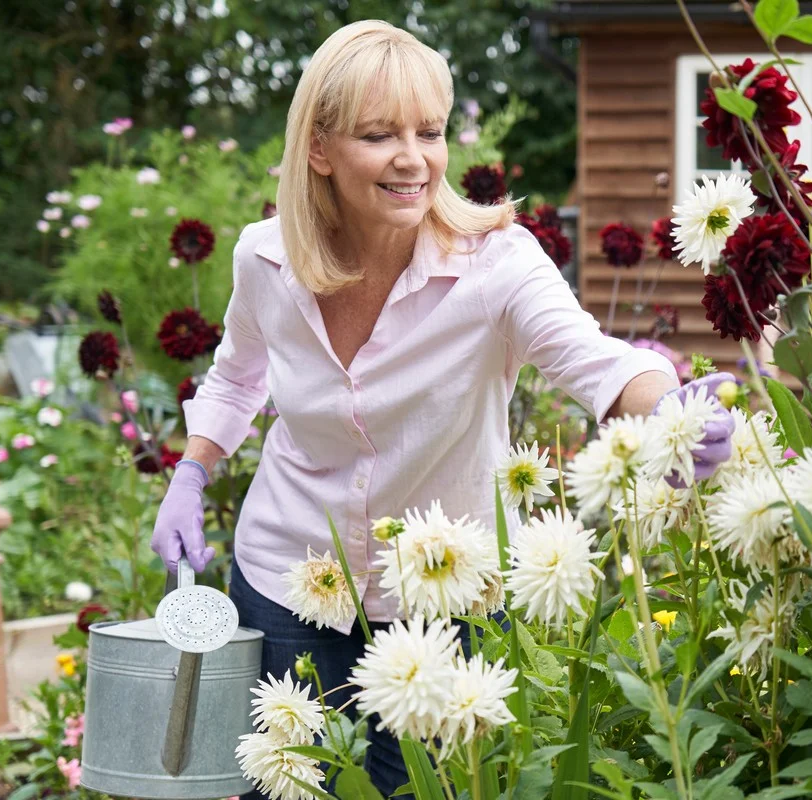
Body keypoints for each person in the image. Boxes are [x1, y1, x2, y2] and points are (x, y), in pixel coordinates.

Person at [150, 19, 735, 799]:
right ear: (319, 149)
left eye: (429, 131)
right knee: (283, 788)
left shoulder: (495, 263)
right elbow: (234, 380)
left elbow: (597, 361)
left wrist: (673, 410)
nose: (413, 158)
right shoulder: (266, 257)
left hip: (439, 597)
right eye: (379, 134)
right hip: (287, 577)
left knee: (416, 790)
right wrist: (190, 475)